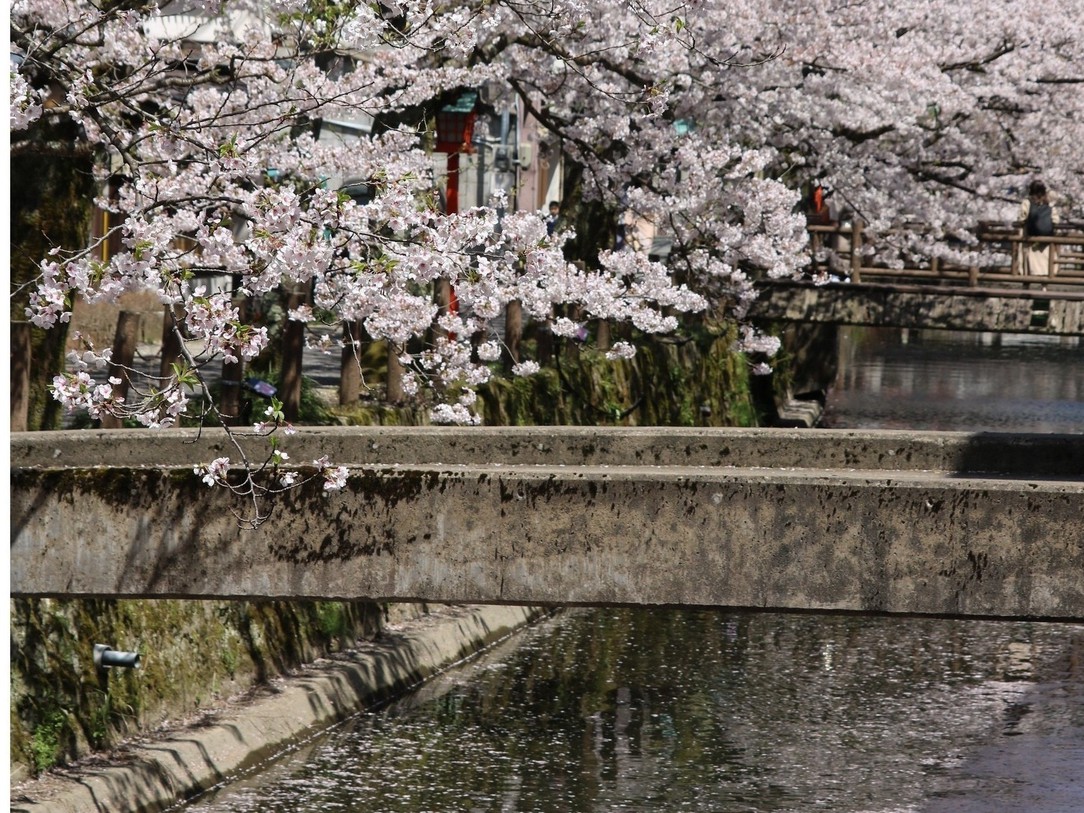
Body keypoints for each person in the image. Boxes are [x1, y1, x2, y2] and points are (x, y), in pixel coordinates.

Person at [1018, 180, 1058, 278]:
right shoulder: (1049, 204)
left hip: (1030, 238)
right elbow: (1056, 220)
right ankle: (1044, 286)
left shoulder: (1027, 202)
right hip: (1046, 240)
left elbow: (1022, 218)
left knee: (1029, 262)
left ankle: (1026, 284)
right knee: (1045, 263)